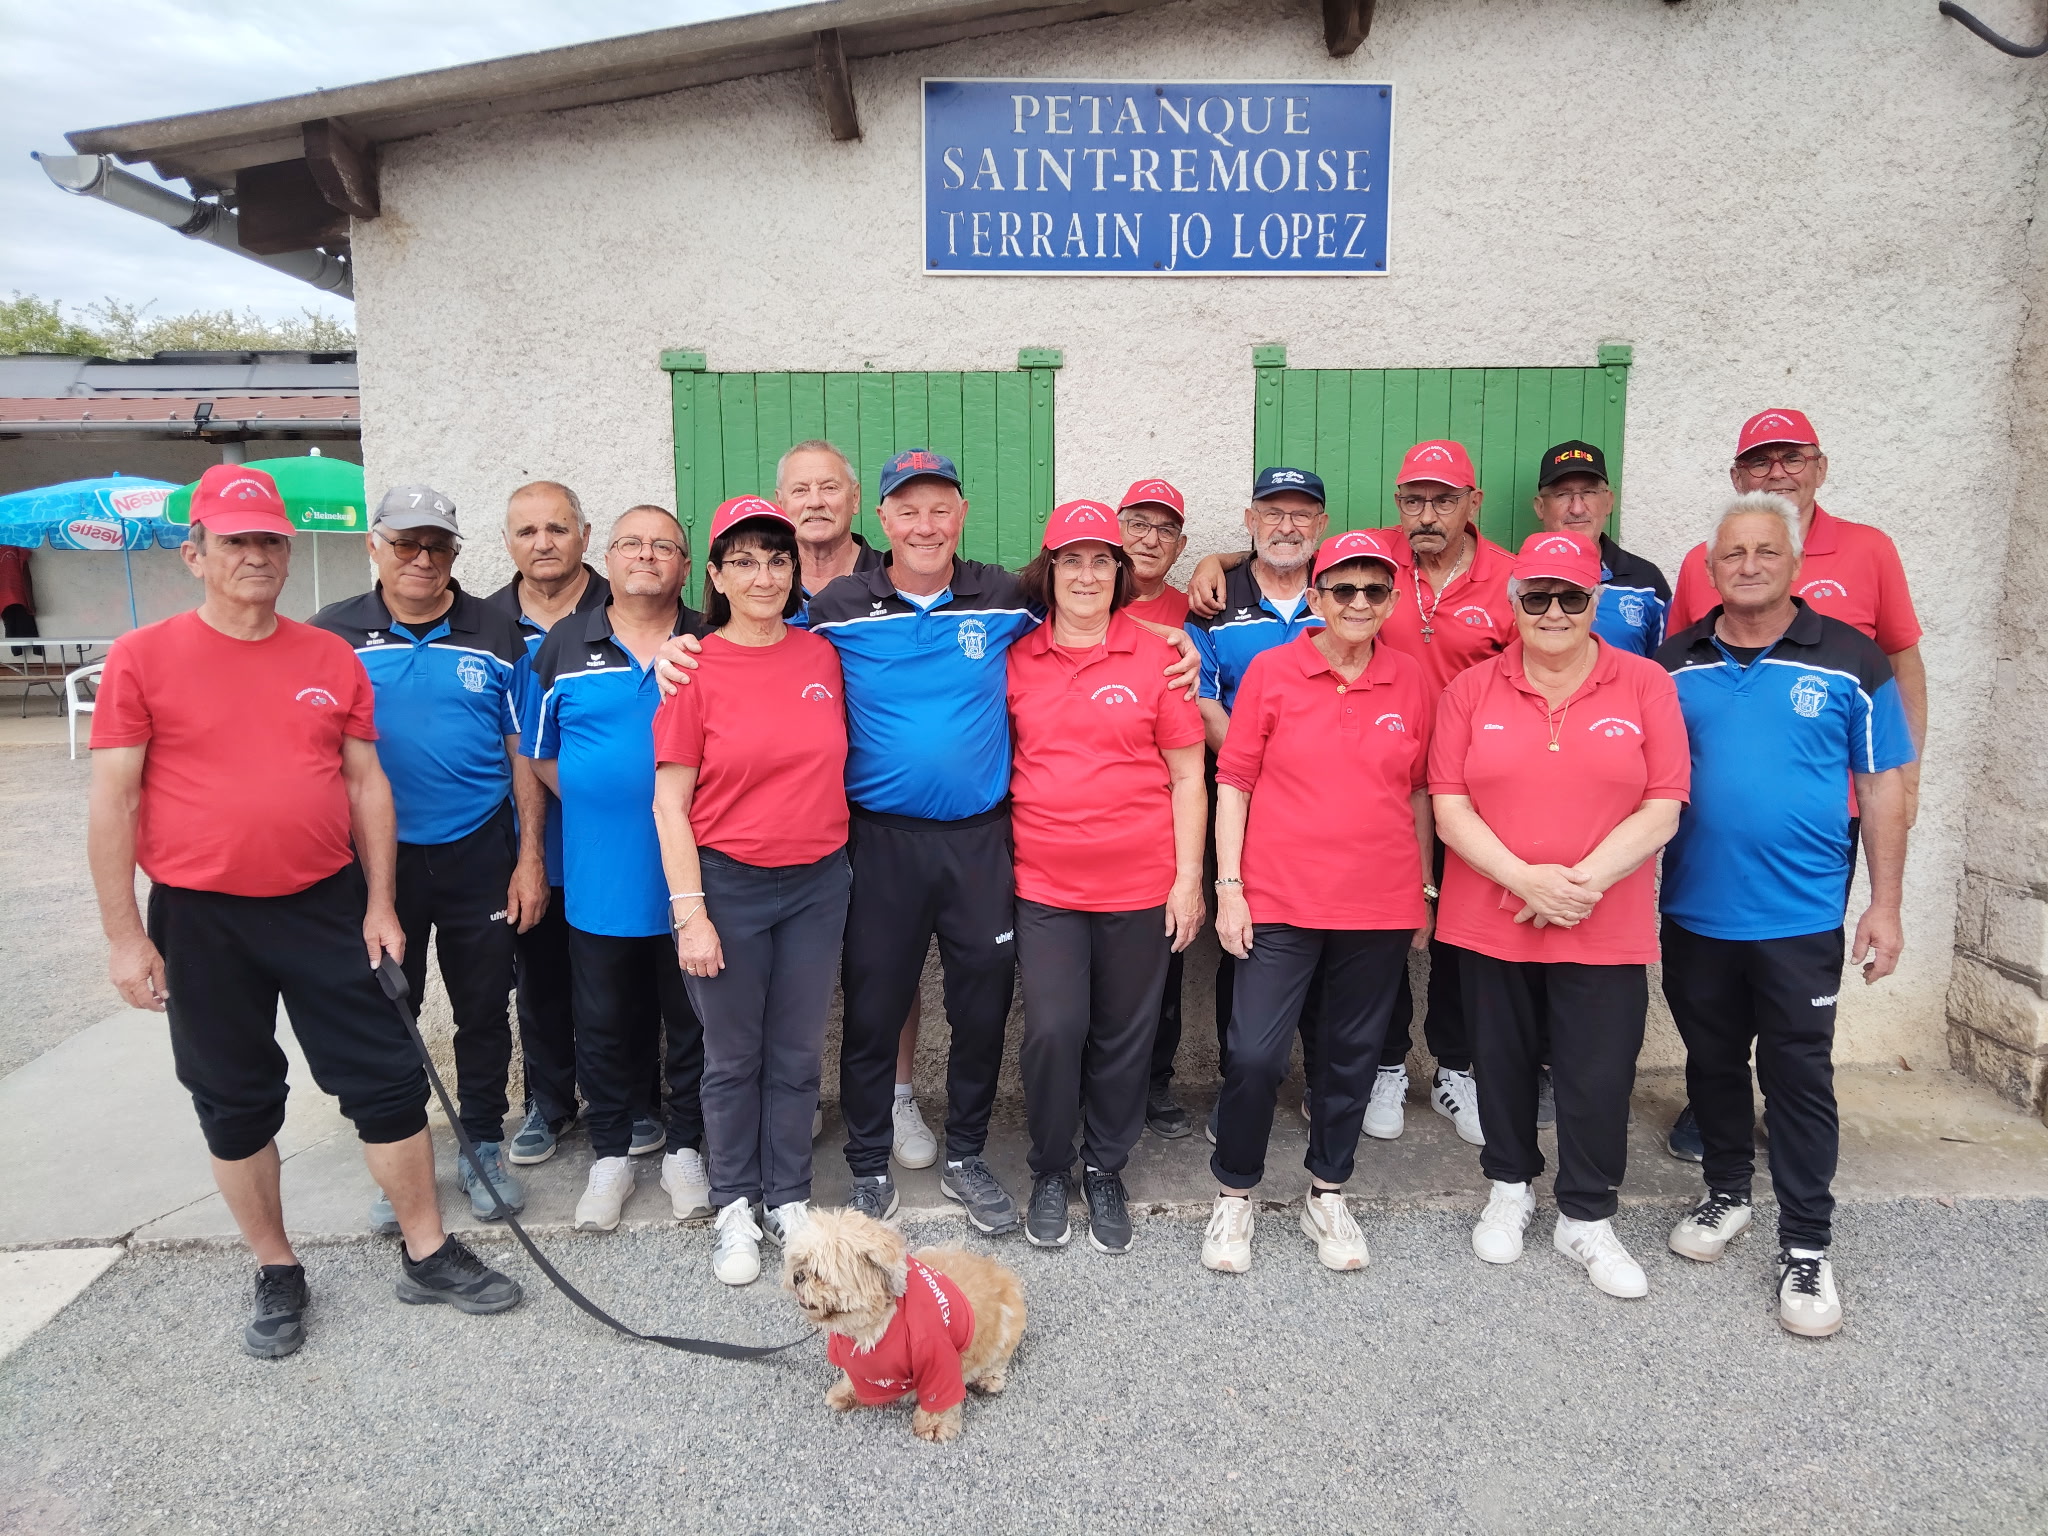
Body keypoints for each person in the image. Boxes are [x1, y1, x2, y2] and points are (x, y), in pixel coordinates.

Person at [657, 449, 1200, 1234]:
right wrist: (683, 645)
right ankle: (870, 1161)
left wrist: (1179, 643)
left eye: (940, 507)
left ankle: (969, 1155)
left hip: (982, 844)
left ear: (962, 515)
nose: (924, 524)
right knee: (876, 1004)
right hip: (879, 844)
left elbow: (1096, 605)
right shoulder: (840, 605)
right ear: (881, 520)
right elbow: (755, 641)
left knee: (981, 1009)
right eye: (907, 509)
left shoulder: (1007, 596)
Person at [86, 464, 521, 1359]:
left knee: (388, 1082)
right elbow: (114, 803)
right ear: (196, 554)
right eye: (237, 541)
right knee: (234, 1101)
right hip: (203, 918)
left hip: (326, 903)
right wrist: (127, 937)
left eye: (270, 541)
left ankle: (428, 1249)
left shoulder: (327, 655)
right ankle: (276, 1267)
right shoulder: (145, 658)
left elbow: (367, 787)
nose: (256, 556)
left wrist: (380, 904)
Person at [1658, 493, 1912, 1338]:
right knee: (1714, 1062)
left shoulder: (1853, 661)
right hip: (1694, 909)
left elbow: (1881, 788)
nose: (1750, 565)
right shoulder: (1675, 663)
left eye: (1767, 551)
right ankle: (1728, 1190)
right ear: (1712, 568)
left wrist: (1885, 905)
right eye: (1733, 554)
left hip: (1800, 917)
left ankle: (1806, 1244)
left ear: (1795, 564)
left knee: (1800, 1078)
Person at [1430, 529, 1689, 1300]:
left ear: (1595, 604)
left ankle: (1587, 1215)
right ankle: (1509, 1188)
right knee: (1500, 1064)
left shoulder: (1644, 684)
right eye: (1535, 597)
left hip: (1603, 921)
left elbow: (1664, 802)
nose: (1551, 611)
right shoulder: (1470, 691)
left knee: (1597, 1071)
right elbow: (1448, 805)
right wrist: (1523, 881)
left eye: (1569, 598)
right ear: (1514, 605)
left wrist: (1576, 885)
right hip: (1489, 914)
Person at [1662, 408, 1927, 1161]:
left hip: (1823, 821)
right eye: (1760, 460)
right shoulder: (1690, 601)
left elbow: (1902, 661)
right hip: (1705, 846)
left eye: (1793, 457)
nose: (1777, 470)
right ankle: (1718, 1119)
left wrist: (1906, 776)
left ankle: (1792, 1117)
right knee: (1711, 998)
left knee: (1793, 1004)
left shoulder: (1868, 562)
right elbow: (1685, 689)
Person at [1199, 530, 1435, 1275]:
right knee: (1255, 1054)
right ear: (1317, 597)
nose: (1358, 603)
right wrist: (1229, 887)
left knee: (1350, 1058)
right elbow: (1233, 781)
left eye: (1374, 590)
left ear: (1391, 600)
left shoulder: (1413, 680)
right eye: (1343, 589)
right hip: (1279, 898)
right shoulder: (1273, 671)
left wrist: (1423, 890)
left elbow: (1422, 791)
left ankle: (1328, 1192)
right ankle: (1234, 1194)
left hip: (1378, 904)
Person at [312, 486, 542, 1228]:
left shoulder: (497, 631)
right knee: (390, 1009)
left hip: (479, 852)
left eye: (437, 546)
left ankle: (480, 1145)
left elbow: (523, 756)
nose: (421, 559)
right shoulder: (331, 637)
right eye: (405, 543)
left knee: (481, 1008)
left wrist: (527, 857)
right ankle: (401, 1161)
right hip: (378, 865)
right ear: (373, 546)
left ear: (455, 555)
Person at [652, 496, 851, 1286]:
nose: (764, 575)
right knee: (733, 1056)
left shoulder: (821, 658)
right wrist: (690, 914)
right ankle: (735, 1201)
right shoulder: (694, 666)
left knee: (798, 1050)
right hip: (726, 885)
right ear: (716, 576)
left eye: (777, 559)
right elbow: (670, 803)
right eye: (744, 560)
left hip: (817, 882)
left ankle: (787, 1197)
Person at [1007, 500, 1207, 1254]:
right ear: (1049, 570)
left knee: (1125, 1036)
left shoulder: (1160, 657)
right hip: (1046, 882)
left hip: (1140, 881)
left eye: (1102, 561)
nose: (1087, 574)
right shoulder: (1016, 657)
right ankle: (1051, 1168)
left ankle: (1106, 1167)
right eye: (1072, 560)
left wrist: (1189, 879)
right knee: (1056, 1030)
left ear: (1120, 573)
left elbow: (1190, 777)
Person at [521, 505, 708, 1232]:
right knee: (599, 1020)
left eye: (665, 546)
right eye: (632, 543)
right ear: (609, 555)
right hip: (598, 872)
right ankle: (609, 1157)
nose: (647, 555)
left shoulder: (710, 640)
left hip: (691, 875)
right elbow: (536, 749)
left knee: (691, 1021)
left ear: (686, 568)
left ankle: (686, 1149)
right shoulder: (562, 645)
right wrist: (602, 797)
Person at [486, 482, 664, 1169]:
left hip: (620, 845)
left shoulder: (625, 603)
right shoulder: (491, 622)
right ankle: (549, 1103)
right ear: (508, 543)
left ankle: (635, 1103)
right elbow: (529, 747)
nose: (543, 543)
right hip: (535, 836)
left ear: (587, 538)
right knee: (543, 975)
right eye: (527, 532)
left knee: (634, 977)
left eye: (557, 529)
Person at [776, 440, 934, 1170]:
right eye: (800, 489)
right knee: (794, 964)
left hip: (880, 814)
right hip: (791, 816)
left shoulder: (903, 573)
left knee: (890, 968)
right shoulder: (761, 580)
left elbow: (1061, 608)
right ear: (782, 504)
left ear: (855, 503)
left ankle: (899, 1096)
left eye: (828, 487)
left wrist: (1164, 636)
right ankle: (799, 1091)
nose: (814, 501)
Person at [1368, 441, 1516, 1146]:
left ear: (1473, 504)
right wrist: (1214, 563)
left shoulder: (1513, 580)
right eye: (1413, 500)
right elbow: (1275, 574)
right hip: (1378, 789)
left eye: (1443, 500)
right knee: (1380, 930)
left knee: (1463, 936)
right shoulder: (1366, 563)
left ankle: (1458, 1068)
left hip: (1479, 796)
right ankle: (1385, 1063)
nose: (1426, 515)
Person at [1182, 467, 1332, 1137]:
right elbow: (1205, 698)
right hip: (1240, 796)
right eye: (1274, 513)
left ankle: (1327, 1082)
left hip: (1331, 803)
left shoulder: (1347, 590)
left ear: (1322, 526)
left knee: (1331, 936)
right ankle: (1239, 1086)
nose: (1288, 527)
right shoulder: (1217, 601)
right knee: (1241, 938)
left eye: (1303, 515)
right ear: (1249, 521)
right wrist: (1260, 766)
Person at [1112, 477, 1200, 1138]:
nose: (1149, 538)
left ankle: (1156, 1080)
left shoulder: (1196, 610)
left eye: (1164, 529)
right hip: (1092, 813)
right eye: (1138, 523)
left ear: (1181, 546)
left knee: (1163, 963)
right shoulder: (1074, 593)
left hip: (1171, 804)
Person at [1530, 441, 1669, 656]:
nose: (1577, 508)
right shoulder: (1516, 581)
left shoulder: (1646, 582)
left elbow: (1667, 673)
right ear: (1540, 507)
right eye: (1562, 495)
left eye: (1589, 492)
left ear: (1609, 502)